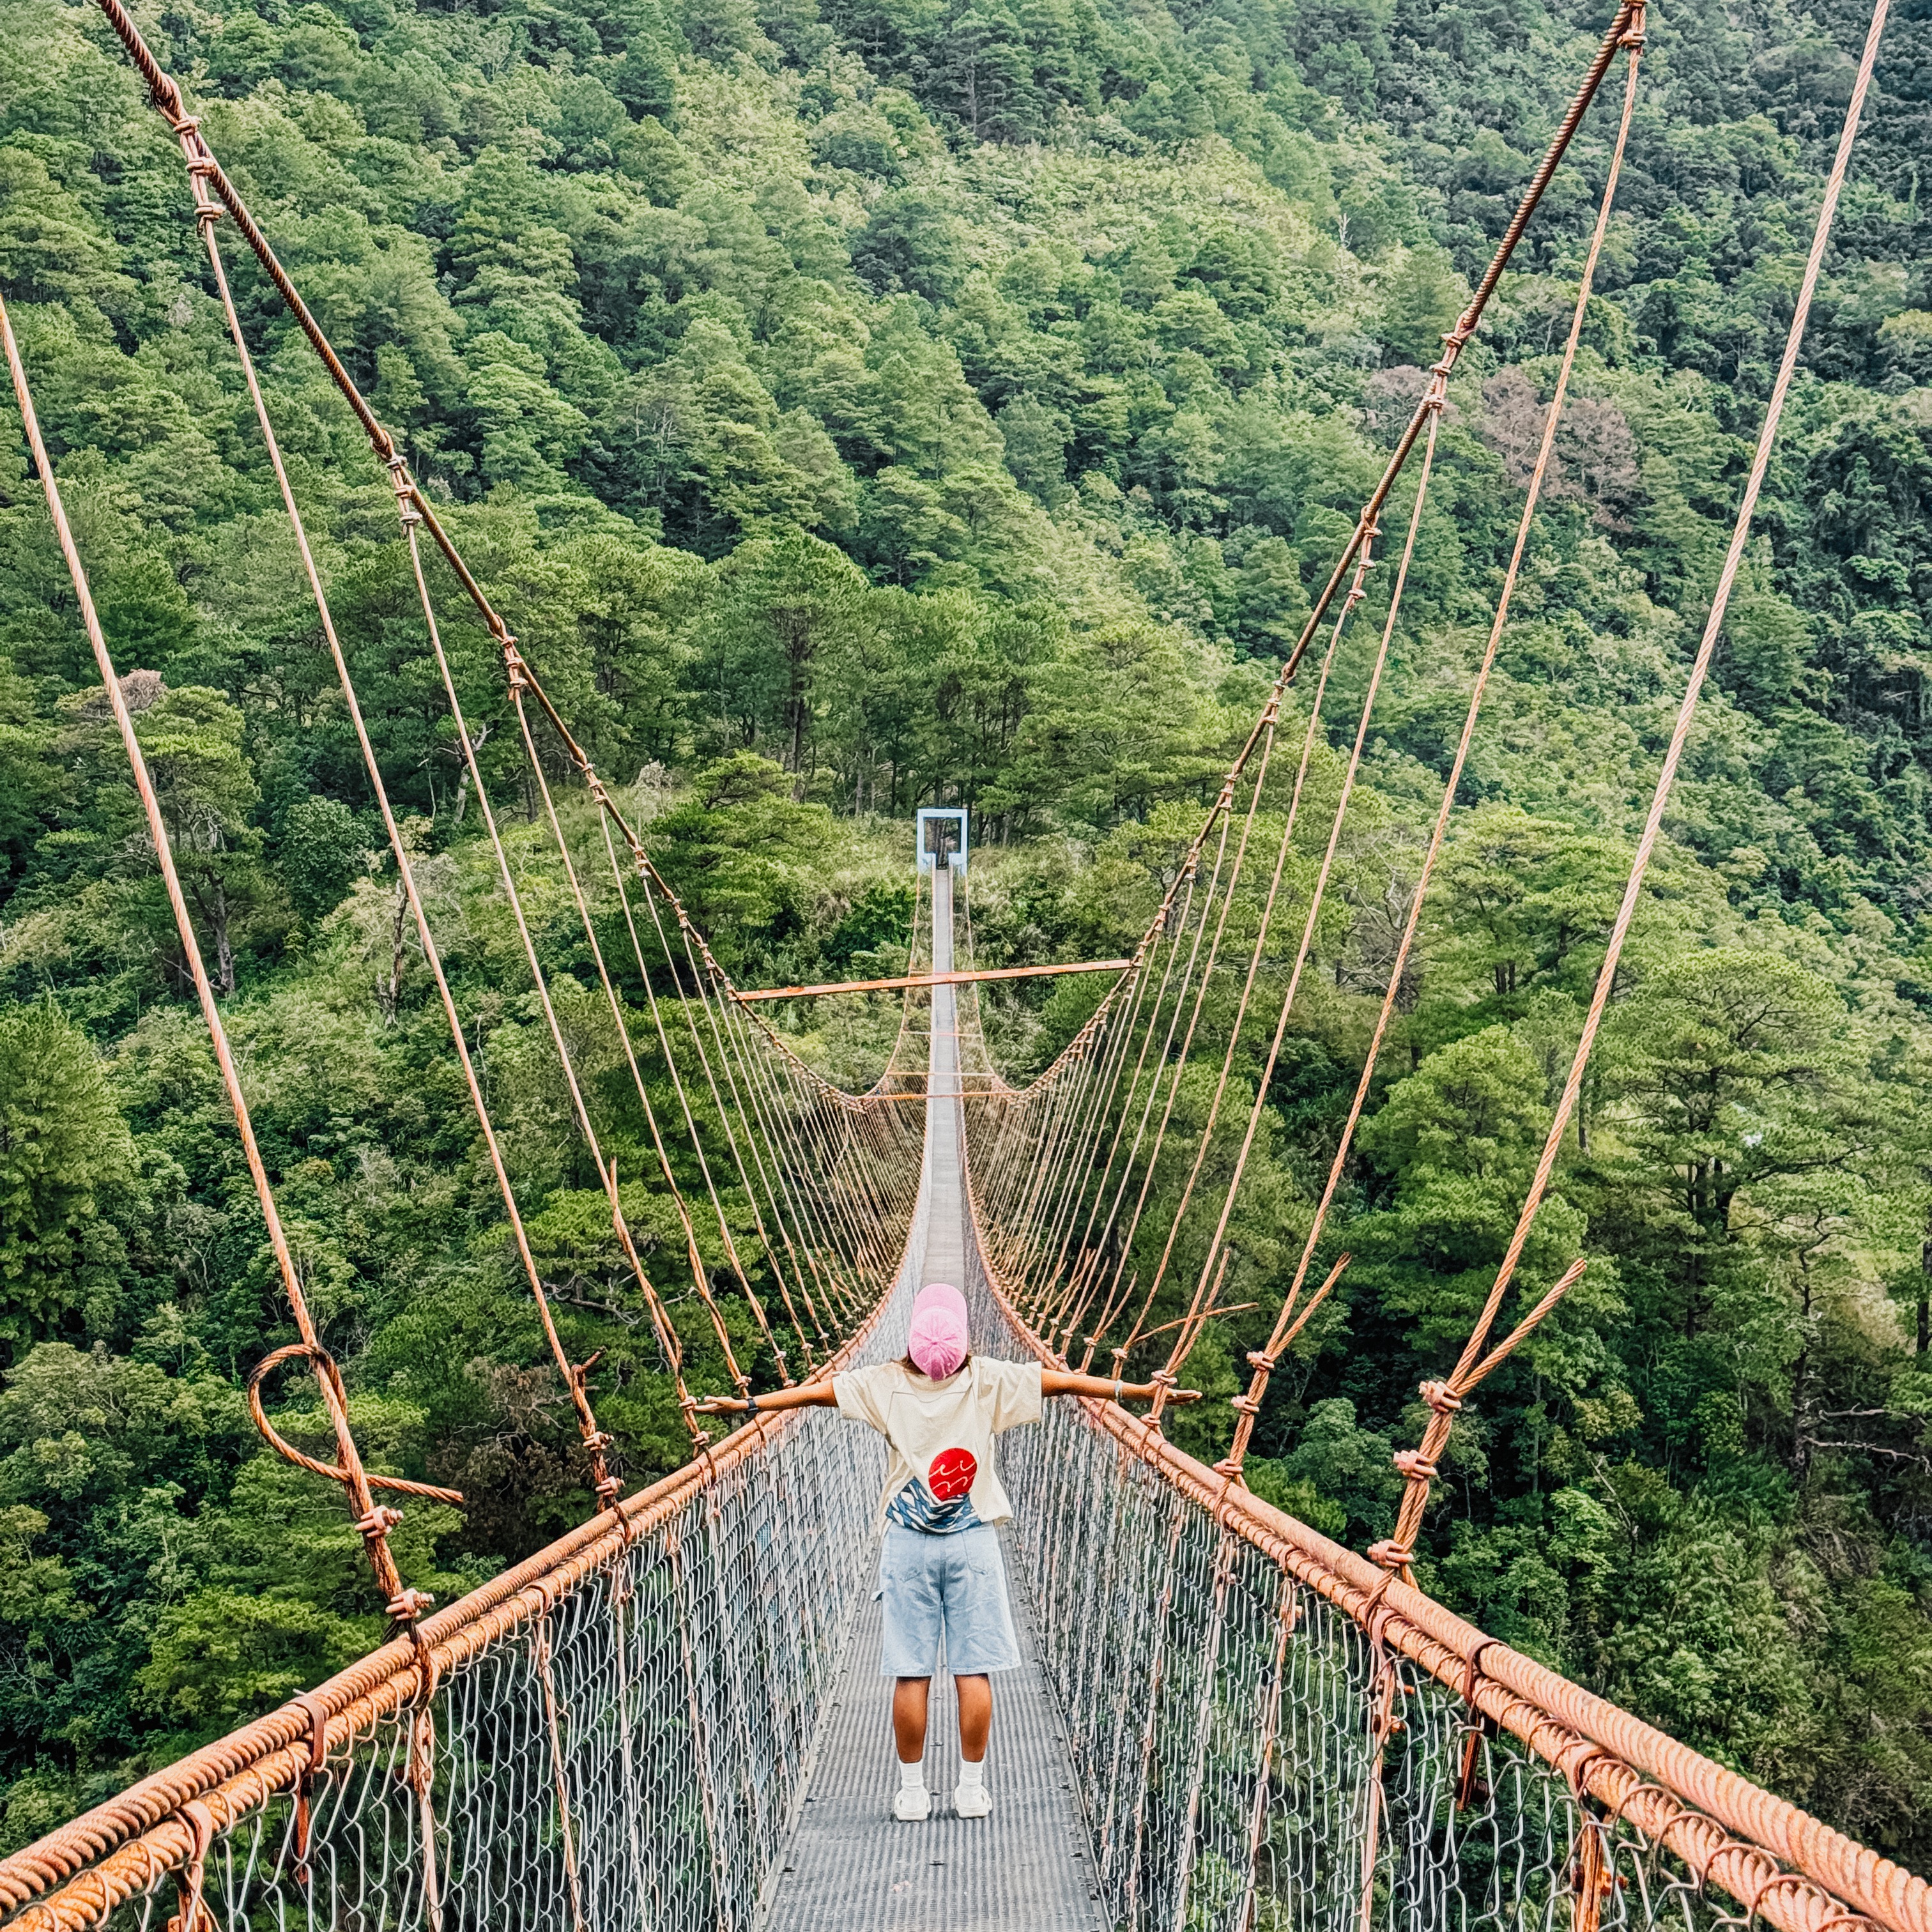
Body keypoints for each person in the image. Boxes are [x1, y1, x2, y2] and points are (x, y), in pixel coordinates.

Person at [696, 1282, 1199, 1821]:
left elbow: (815, 1394)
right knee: (973, 1670)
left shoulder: (884, 1384)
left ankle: (912, 1793)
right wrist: (1138, 1393)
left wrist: (748, 1404)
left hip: (907, 1546)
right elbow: (1063, 1383)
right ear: (963, 1339)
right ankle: (970, 1790)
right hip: (972, 1541)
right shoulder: (986, 1380)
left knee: (912, 1673)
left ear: (913, 1339)